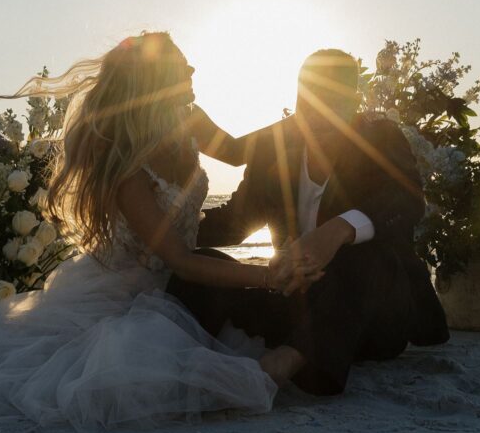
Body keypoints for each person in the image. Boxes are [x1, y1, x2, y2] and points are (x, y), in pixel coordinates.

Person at [0, 32, 320, 429]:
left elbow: (237, 153)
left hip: (183, 282)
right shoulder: (130, 173)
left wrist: (307, 120)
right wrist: (268, 275)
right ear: (157, 80)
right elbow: (180, 261)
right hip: (130, 292)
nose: (193, 69)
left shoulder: (190, 120)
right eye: (182, 65)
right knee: (141, 375)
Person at [169, 48, 450, 392]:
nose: (318, 111)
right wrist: (166, 237)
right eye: (309, 97)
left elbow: (405, 201)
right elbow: (235, 220)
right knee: (196, 269)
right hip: (298, 303)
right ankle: (220, 353)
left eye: (332, 99)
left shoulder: (379, 137)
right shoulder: (277, 149)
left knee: (365, 255)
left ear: (353, 100)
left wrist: (337, 231)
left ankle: (287, 362)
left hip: (370, 314)